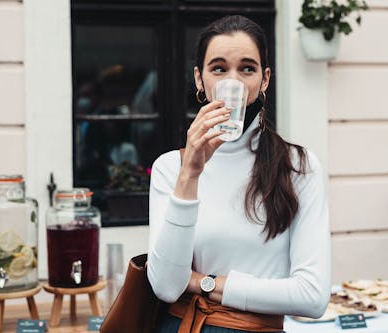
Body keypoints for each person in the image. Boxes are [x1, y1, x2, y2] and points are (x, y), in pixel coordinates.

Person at [147, 15, 330, 333]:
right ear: (200, 80)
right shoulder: (170, 168)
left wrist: (204, 283)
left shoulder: (298, 166)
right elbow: (165, 286)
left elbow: (312, 296)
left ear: (265, 80)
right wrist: (190, 173)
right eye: (219, 68)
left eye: (247, 68)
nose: (234, 81)